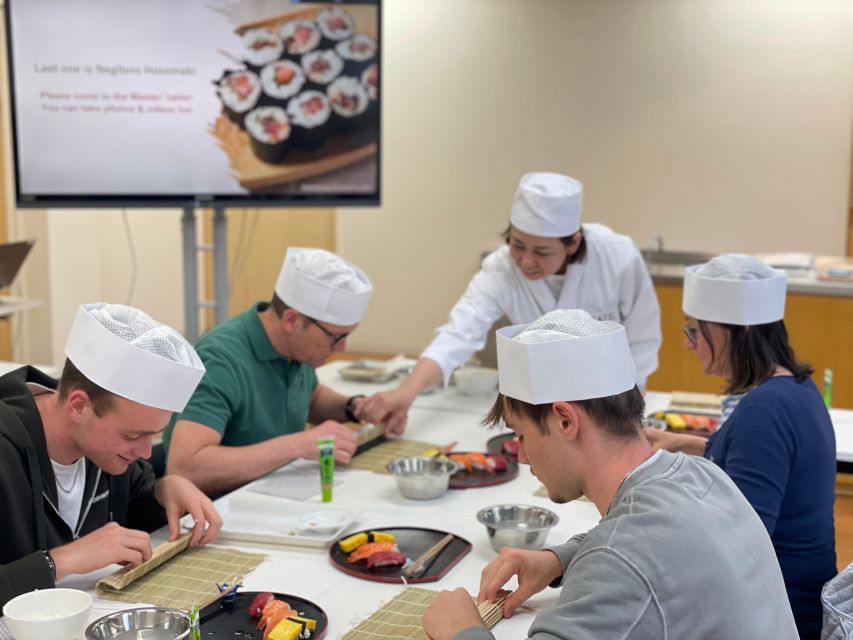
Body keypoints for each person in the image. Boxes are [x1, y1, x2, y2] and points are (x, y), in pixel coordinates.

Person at [422, 309, 798, 640]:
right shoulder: (704, 475)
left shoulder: (617, 560)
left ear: (566, 420)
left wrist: (462, 630)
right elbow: (646, 544)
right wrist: (561, 559)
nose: (520, 456)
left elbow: (625, 555)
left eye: (521, 435)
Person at [363, 172, 661, 434]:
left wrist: (628, 405)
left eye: (542, 252)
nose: (525, 261)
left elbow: (643, 337)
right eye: (517, 244)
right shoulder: (502, 268)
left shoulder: (617, 257)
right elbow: (459, 334)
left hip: (612, 396)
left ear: (572, 243)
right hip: (540, 398)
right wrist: (406, 393)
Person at [644, 254, 836, 640]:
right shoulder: (795, 387)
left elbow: (739, 546)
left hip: (782, 614)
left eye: (696, 331)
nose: (688, 343)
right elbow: (758, 461)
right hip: (800, 596)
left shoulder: (763, 412)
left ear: (739, 330)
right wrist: (684, 444)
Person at [0, 303, 221, 608]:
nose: (145, 452)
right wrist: (61, 560)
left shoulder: (102, 448)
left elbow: (132, 507)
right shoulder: (6, 447)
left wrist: (164, 491)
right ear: (79, 406)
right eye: (133, 435)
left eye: (152, 436)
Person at [164, 247, 388, 496]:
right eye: (335, 337)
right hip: (217, 511)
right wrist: (297, 445)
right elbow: (185, 468)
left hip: (273, 492)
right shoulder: (221, 359)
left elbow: (308, 397)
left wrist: (354, 407)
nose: (342, 347)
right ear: (291, 320)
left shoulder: (296, 349)